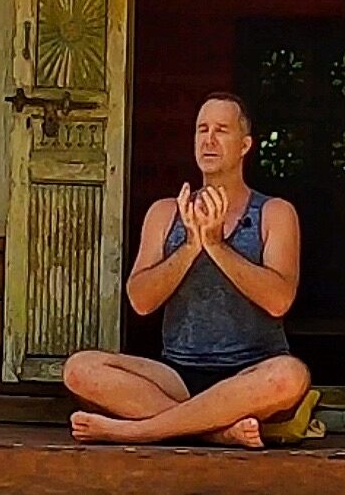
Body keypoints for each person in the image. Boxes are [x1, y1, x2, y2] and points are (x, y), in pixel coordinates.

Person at [61, 92, 312, 448]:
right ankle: (217, 431)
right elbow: (141, 301)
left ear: (245, 145)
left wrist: (216, 245)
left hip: (250, 372)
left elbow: (278, 301)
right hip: (176, 375)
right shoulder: (165, 213)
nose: (209, 140)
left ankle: (137, 431)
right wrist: (192, 244)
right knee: (79, 369)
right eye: (202, 129)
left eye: (221, 130)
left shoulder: (275, 213)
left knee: (290, 376)